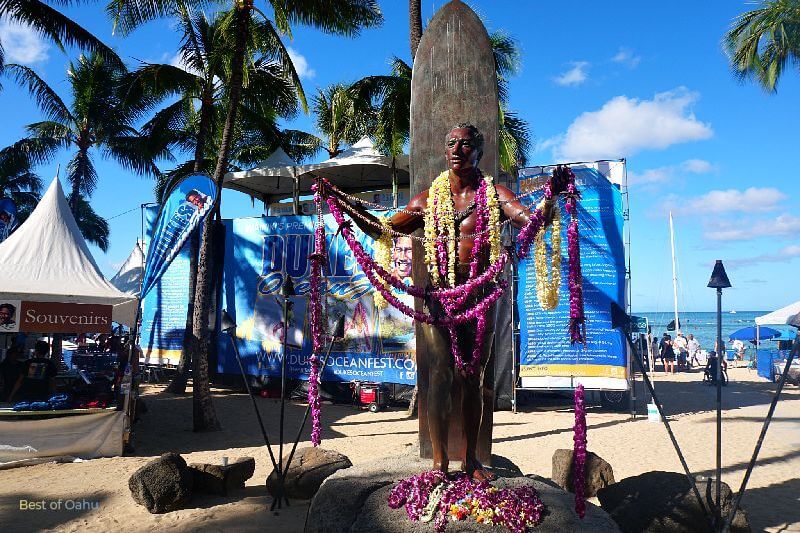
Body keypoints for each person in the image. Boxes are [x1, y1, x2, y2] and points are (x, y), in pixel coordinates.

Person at [332, 124, 555, 480]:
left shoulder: (495, 194)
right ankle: (439, 462)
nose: (456, 150)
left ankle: (471, 461)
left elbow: (531, 223)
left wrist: (551, 199)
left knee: (473, 380)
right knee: (439, 377)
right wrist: (343, 206)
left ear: (479, 152)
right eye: (451, 143)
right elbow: (385, 230)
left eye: (465, 144)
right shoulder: (427, 200)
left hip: (481, 299)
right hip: (438, 301)